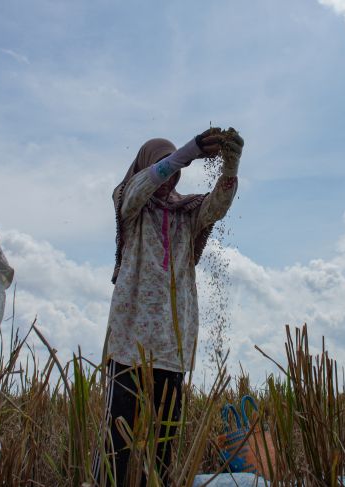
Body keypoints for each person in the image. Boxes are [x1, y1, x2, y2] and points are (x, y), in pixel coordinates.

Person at [93, 127, 244, 486]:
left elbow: (216, 209)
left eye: (174, 170)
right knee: (119, 443)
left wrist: (231, 168)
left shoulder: (185, 213)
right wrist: (185, 153)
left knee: (163, 446)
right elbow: (139, 188)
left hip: (172, 348)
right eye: (163, 167)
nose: (170, 176)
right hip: (130, 345)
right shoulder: (130, 205)